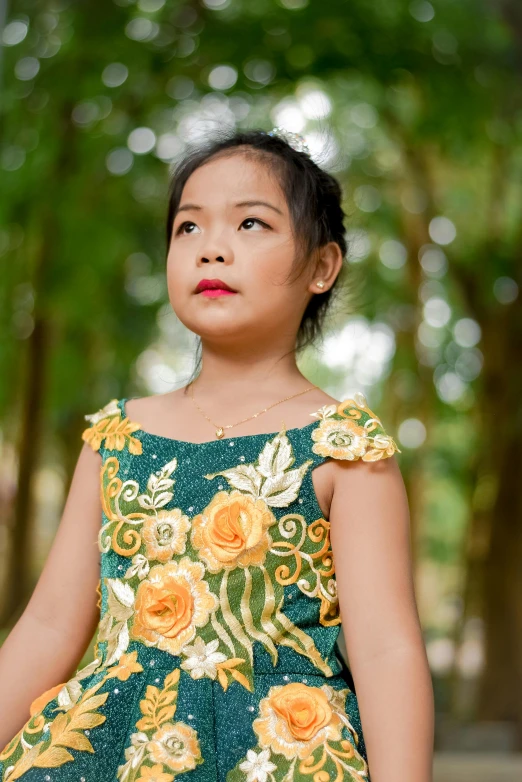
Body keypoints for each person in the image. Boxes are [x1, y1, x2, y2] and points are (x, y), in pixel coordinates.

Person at [0, 128, 434, 782]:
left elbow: (386, 650)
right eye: (188, 229)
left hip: (277, 755)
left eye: (251, 223)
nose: (212, 250)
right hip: (107, 750)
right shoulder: (117, 438)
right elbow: (49, 626)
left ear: (321, 267)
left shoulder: (344, 448)